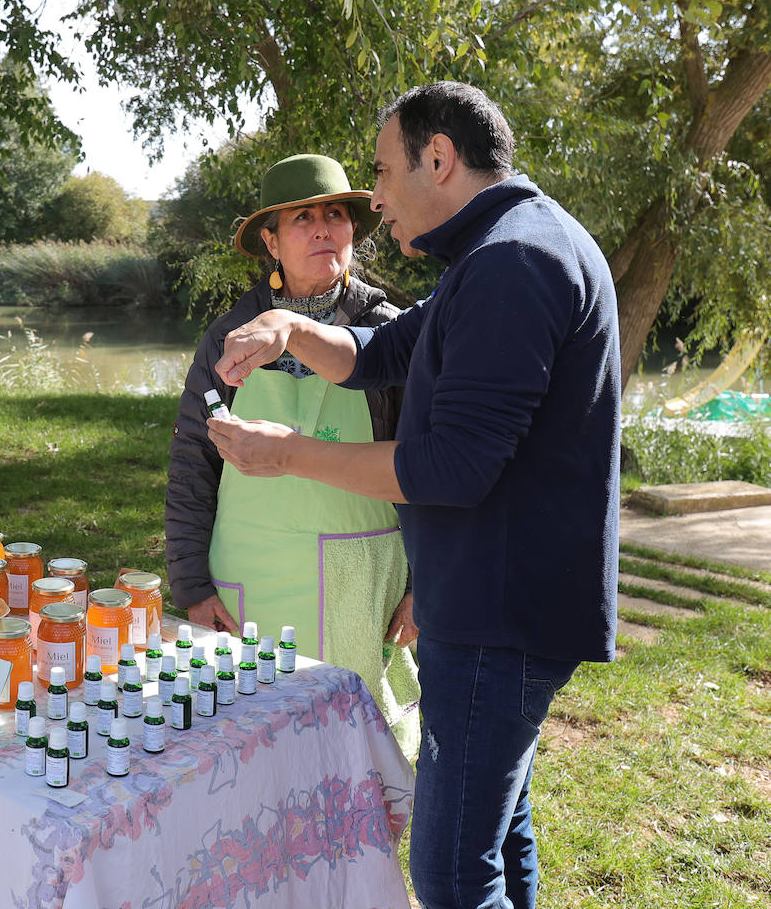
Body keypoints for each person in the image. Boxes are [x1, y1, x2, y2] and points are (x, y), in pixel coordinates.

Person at [207, 82, 619, 909]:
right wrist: (289, 329)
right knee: (500, 833)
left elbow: (450, 468)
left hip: (497, 615)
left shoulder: (515, 262)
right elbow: (383, 350)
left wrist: (289, 457)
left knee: (449, 872)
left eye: (384, 174)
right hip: (502, 603)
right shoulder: (500, 249)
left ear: (440, 158)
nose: (377, 201)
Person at [165, 153, 420, 754]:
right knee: (256, 751)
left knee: (362, 752)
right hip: (251, 582)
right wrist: (192, 586)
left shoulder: (392, 334)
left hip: (365, 589)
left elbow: (430, 468)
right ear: (271, 243)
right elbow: (191, 467)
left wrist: (426, 586)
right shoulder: (229, 336)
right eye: (302, 218)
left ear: (354, 231)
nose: (323, 228)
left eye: (335, 214)